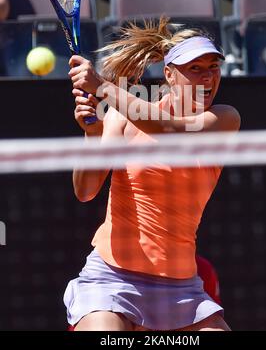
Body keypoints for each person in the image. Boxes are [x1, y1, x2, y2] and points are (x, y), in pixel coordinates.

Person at [64, 17, 240, 331]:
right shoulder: (121, 118)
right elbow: (85, 190)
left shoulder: (224, 119)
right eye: (195, 69)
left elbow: (169, 129)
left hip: (181, 290)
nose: (207, 76)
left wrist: (102, 87)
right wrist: (92, 135)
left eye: (213, 67)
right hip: (112, 281)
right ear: (170, 75)